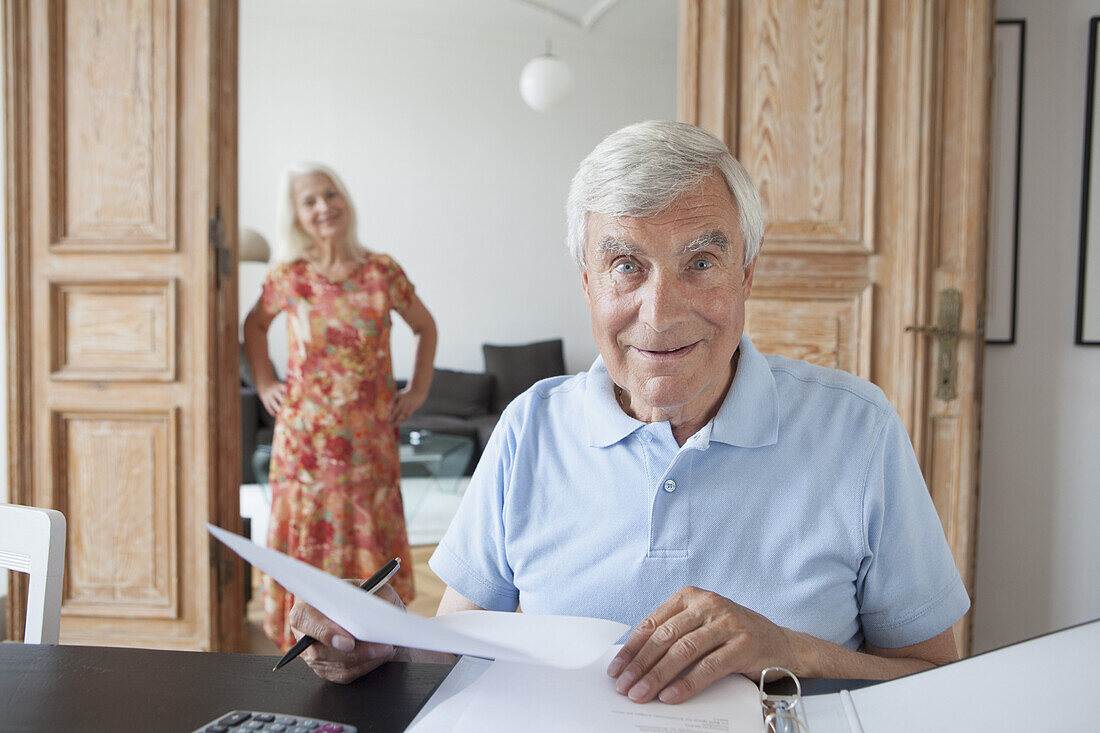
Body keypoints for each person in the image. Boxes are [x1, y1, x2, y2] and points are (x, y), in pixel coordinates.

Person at [288, 122, 970, 702]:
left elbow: (936, 677)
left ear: (747, 274)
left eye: (700, 260)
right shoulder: (529, 428)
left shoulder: (859, 430)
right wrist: (379, 640)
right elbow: (460, 648)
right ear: (587, 281)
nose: (662, 311)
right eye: (625, 265)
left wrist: (788, 649)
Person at [243, 162, 437, 651]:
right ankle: (302, 640)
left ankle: (367, 639)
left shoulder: (382, 272)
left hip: (368, 438)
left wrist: (416, 392)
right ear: (297, 216)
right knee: (307, 540)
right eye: (309, 201)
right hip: (304, 443)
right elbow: (253, 327)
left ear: (344, 199)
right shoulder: (289, 275)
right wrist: (265, 381)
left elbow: (425, 327)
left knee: (364, 536)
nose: (323, 207)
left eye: (329, 195)